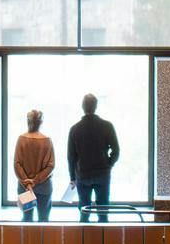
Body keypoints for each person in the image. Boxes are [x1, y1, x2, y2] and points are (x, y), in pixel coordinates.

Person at [67, 93, 120, 222]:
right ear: (96, 106)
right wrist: (108, 164)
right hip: (102, 173)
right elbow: (116, 150)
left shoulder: (75, 129)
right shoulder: (107, 126)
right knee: (103, 211)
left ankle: (84, 233)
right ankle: (103, 233)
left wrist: (72, 177)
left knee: (84, 211)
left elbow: (71, 157)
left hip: (83, 175)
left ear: (82, 107)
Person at [14, 109, 56, 221]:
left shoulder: (21, 139)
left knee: (27, 219)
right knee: (44, 219)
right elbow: (50, 166)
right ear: (41, 122)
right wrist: (35, 181)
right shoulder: (47, 140)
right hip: (44, 187)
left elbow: (17, 164)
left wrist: (28, 183)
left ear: (28, 121)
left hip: (25, 187)